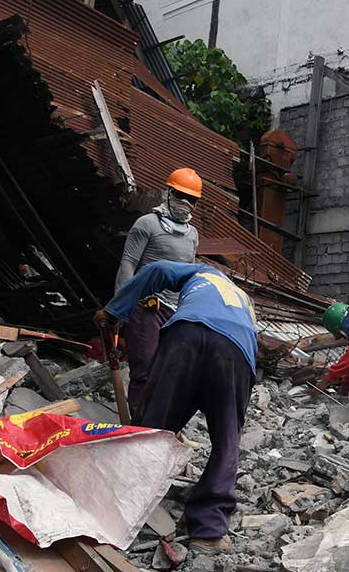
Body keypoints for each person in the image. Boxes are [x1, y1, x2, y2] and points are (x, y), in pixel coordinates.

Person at [94, 261, 256, 552]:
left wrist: (113, 311)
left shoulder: (201, 273)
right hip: (236, 350)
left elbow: (156, 271)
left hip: (187, 334)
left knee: (154, 425)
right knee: (227, 441)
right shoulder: (244, 301)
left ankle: (119, 506)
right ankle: (208, 531)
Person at [113, 168, 201, 420]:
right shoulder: (147, 224)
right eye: (181, 195)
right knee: (144, 370)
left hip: (174, 313)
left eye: (192, 199)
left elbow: (188, 274)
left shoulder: (192, 235)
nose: (186, 203)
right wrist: (120, 306)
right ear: (169, 192)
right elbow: (128, 263)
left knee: (169, 372)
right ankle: (140, 424)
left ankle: (160, 424)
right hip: (146, 307)